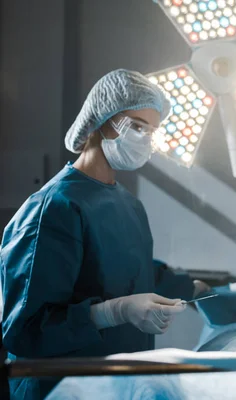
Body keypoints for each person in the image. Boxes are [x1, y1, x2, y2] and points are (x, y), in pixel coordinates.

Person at [0, 69, 204, 399]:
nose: (145, 139)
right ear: (100, 120)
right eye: (137, 126)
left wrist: (203, 290)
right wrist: (113, 312)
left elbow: (129, 271)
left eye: (150, 131)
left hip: (118, 384)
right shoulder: (54, 208)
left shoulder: (127, 203)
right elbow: (25, 330)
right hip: (59, 388)